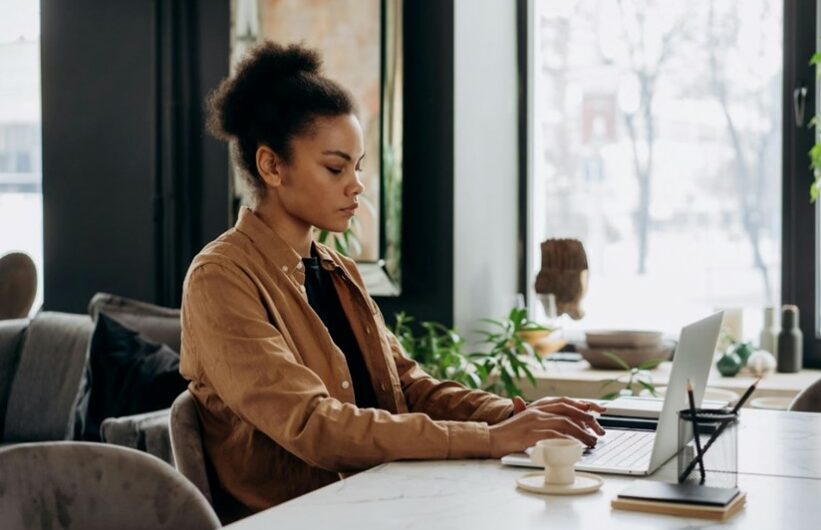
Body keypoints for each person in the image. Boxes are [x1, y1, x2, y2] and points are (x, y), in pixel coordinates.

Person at [180, 41, 605, 517]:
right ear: (272, 166)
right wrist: (489, 439)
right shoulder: (219, 279)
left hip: (377, 502)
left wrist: (511, 414)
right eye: (335, 167)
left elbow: (409, 388)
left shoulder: (337, 271)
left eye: (357, 168)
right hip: (302, 518)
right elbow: (314, 425)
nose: (357, 184)